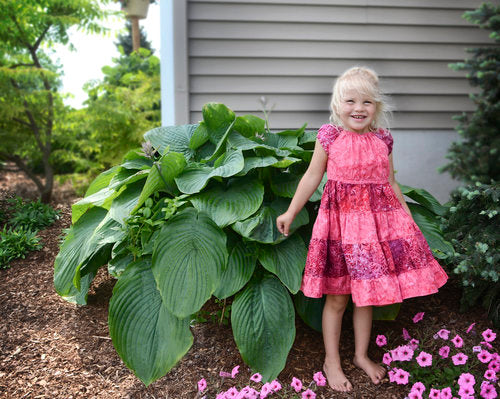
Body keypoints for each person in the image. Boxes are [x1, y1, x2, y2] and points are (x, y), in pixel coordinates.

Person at [276, 66, 448, 392]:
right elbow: (312, 177)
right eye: (351, 101)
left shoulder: (383, 139)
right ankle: (332, 361)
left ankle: (360, 355)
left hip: (373, 231)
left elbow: (391, 182)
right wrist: (290, 211)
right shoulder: (330, 136)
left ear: (377, 107)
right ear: (337, 105)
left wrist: (408, 221)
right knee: (338, 299)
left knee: (365, 298)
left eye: (367, 102)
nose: (359, 108)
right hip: (340, 228)